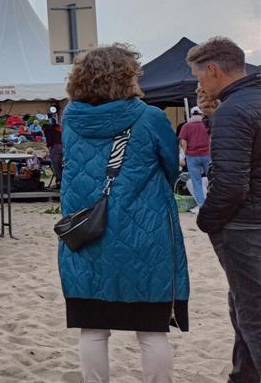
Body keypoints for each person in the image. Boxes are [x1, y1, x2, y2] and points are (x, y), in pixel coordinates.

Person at [58, 44, 189, 383]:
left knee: (93, 327)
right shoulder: (150, 117)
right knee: (152, 331)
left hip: (87, 231)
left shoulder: (70, 118)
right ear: (128, 76)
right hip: (145, 233)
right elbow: (172, 168)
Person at [187, 37, 261, 381]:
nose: (198, 84)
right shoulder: (247, 101)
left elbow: (230, 182)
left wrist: (208, 220)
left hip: (245, 225)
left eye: (198, 76)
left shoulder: (236, 108)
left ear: (212, 69)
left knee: (252, 314)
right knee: (243, 307)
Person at [177, 107, 211, 215]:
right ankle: (213, 204)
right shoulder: (207, 124)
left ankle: (202, 205)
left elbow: (183, 142)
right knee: (212, 179)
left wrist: (185, 155)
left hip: (192, 156)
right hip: (207, 155)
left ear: (191, 114)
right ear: (202, 114)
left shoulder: (186, 126)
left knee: (196, 182)